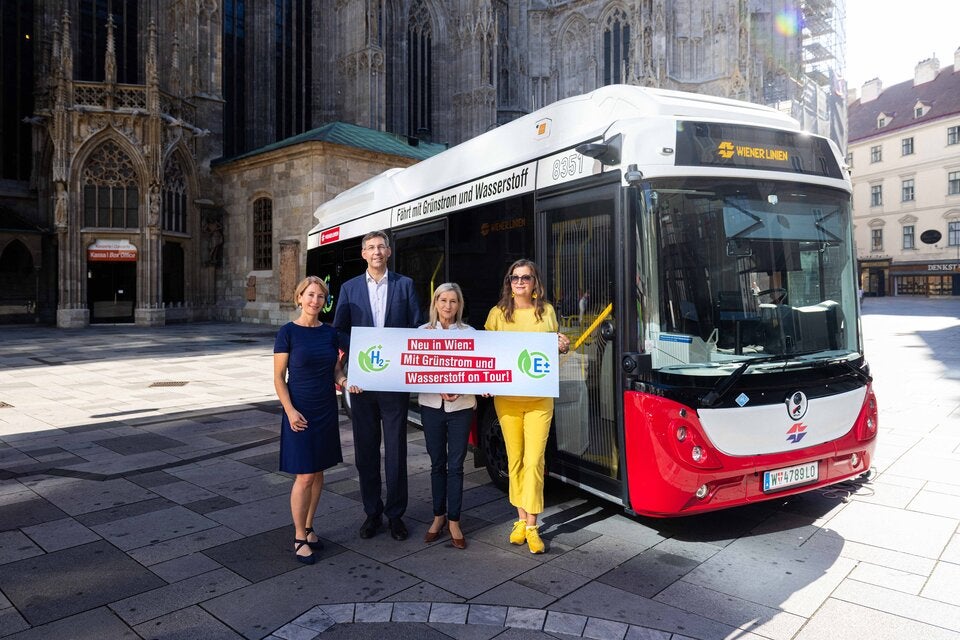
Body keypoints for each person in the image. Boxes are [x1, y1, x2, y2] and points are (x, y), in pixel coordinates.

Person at [333, 230, 424, 541]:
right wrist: (356, 356)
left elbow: (415, 327)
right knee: (366, 452)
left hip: (394, 381)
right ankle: (372, 513)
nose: (376, 251)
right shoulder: (349, 288)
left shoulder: (406, 285)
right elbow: (340, 330)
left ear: (389, 252)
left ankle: (396, 515)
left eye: (381, 246)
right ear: (363, 254)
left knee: (397, 451)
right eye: (370, 247)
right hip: (362, 383)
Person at [484, 259, 570, 554]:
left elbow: (552, 354)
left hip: (539, 400)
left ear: (535, 282)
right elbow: (488, 354)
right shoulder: (496, 314)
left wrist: (563, 346)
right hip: (506, 400)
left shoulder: (546, 312)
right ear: (508, 282)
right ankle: (520, 520)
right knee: (515, 460)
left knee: (535, 462)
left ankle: (532, 526)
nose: (519, 282)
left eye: (526, 277)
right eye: (514, 278)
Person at [274, 276, 346, 565]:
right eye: (311, 295)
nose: (315, 301)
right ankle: (298, 536)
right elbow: (279, 378)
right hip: (300, 409)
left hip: (325, 408)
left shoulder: (329, 334)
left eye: (321, 297)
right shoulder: (287, 332)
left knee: (318, 473)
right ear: (300, 297)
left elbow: (336, 371)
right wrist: (290, 410)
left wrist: (346, 380)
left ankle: (310, 527)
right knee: (303, 475)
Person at [419, 283, 475, 550]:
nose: (448, 306)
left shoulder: (470, 333)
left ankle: (454, 520)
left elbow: (479, 369)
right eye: (443, 300)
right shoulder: (421, 333)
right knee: (436, 464)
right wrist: (438, 387)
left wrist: (459, 388)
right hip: (431, 407)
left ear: (459, 304)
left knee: (456, 465)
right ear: (435, 303)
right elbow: (413, 371)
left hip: (461, 408)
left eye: (453, 301)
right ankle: (438, 516)